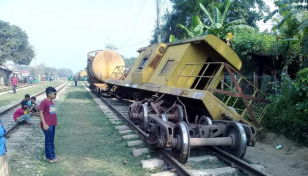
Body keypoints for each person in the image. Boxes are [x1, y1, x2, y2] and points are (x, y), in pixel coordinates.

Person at [40, 87, 62, 163]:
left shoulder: (51, 102)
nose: (56, 95)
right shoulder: (44, 102)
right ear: (49, 94)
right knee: (50, 142)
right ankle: (52, 158)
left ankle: (48, 156)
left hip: (52, 124)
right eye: (54, 93)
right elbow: (41, 113)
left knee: (48, 141)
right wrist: (44, 124)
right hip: (48, 125)